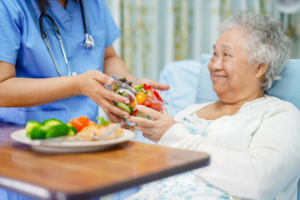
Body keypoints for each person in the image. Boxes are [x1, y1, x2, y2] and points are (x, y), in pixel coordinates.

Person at [0, 0, 168, 199]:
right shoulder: (9, 5)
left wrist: (130, 89)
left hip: (86, 139)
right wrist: (77, 84)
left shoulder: (92, 4)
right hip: (26, 146)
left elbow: (108, 57)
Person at [127, 11, 300, 200]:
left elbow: (260, 183)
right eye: (214, 54)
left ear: (260, 67)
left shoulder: (280, 115)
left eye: (226, 55)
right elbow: (150, 177)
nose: (214, 65)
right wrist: (129, 121)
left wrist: (175, 137)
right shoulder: (188, 113)